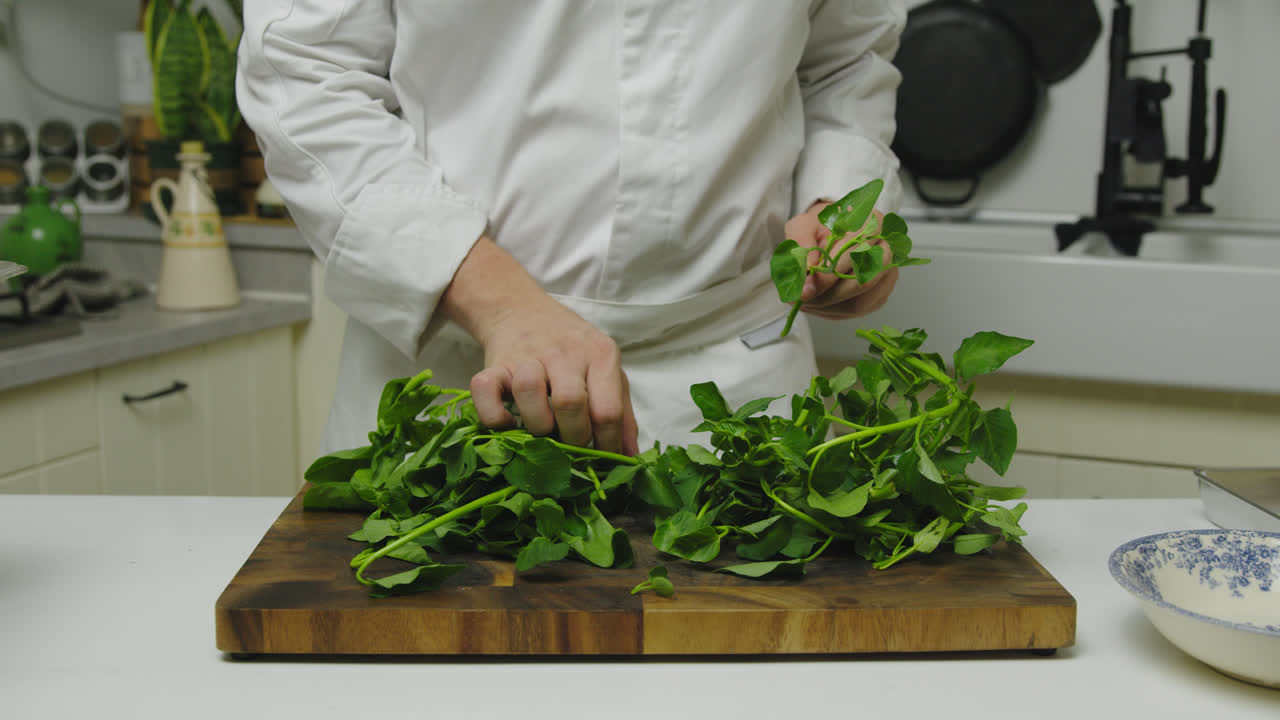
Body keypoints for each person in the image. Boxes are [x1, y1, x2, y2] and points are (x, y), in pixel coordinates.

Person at [236, 1, 906, 457]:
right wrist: (499, 303)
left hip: (738, 382)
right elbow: (303, 74)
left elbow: (848, 58)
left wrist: (842, 203)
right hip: (459, 380)